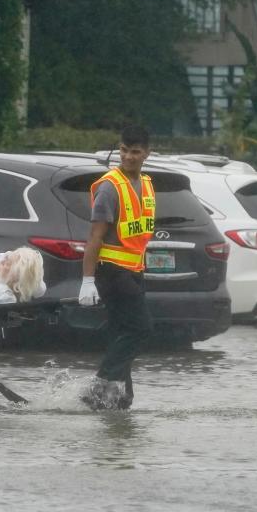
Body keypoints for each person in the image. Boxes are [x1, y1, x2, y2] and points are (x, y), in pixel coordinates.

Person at [78, 125, 155, 409]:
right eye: (124, 150)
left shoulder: (146, 184)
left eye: (135, 152)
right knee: (141, 329)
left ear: (147, 153)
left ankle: (122, 399)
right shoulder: (110, 188)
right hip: (111, 272)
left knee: (122, 333)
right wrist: (87, 280)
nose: (129, 157)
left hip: (134, 272)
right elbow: (95, 237)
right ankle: (98, 387)